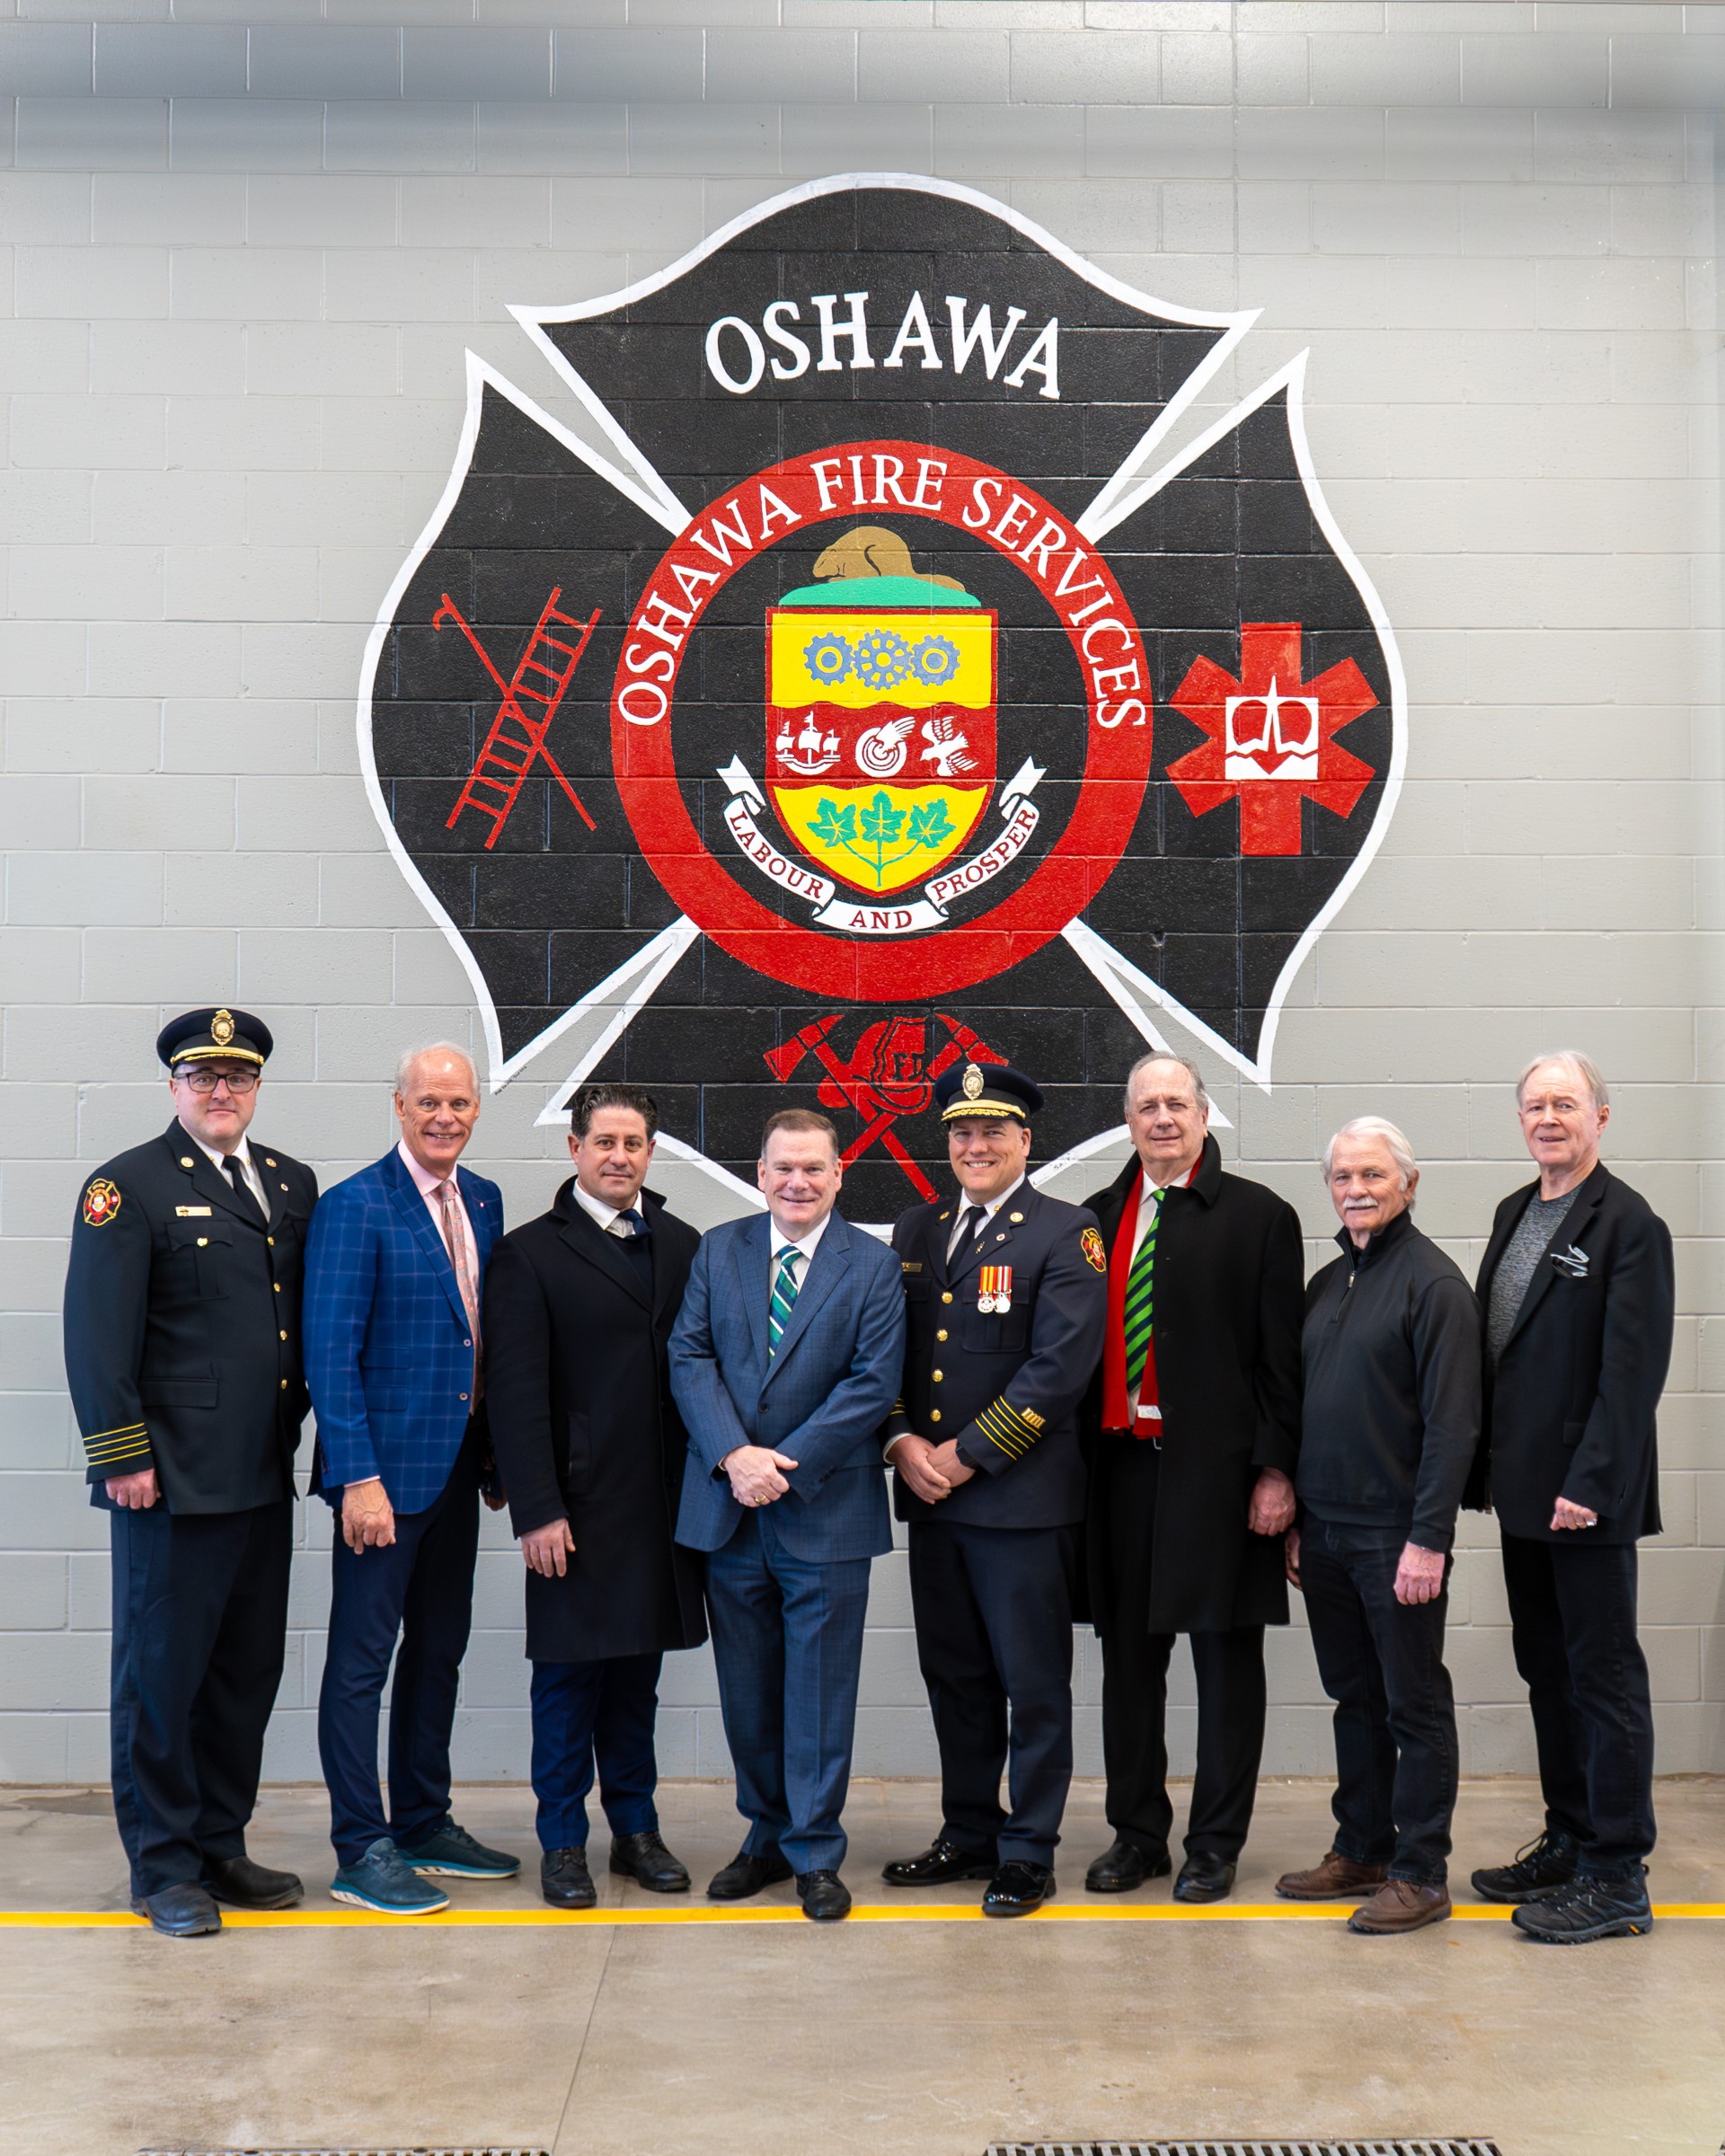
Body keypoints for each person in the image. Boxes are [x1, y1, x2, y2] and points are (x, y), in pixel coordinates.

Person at [61, 1008, 316, 1938]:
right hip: (169, 1482)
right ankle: (163, 1866)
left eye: (237, 1078)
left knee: (243, 1675)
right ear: (174, 1086)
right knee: (161, 1680)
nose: (221, 1092)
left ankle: (219, 1840)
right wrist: (122, 1456)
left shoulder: (290, 1182)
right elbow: (97, 1338)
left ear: (256, 1088)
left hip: (260, 1474)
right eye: (203, 1077)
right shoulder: (126, 1187)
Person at [881, 1062, 1107, 1917]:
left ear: (1024, 1140)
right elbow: (890, 1352)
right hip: (934, 1498)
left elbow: (1060, 1369)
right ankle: (969, 1830)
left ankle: (1028, 1849)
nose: (975, 1146)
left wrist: (968, 1454)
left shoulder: (1065, 1230)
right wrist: (903, 1442)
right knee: (957, 1676)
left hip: (1018, 1502)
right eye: (961, 1134)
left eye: (992, 1133)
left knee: (1033, 1682)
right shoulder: (917, 1225)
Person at [668, 1109, 905, 1922]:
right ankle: (764, 1837)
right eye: (782, 1168)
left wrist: (780, 1466)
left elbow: (872, 1384)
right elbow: (688, 1355)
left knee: (818, 1691)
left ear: (840, 1175)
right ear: (759, 1173)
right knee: (748, 1691)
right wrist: (736, 1456)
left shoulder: (872, 1265)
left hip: (823, 1511)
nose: (796, 1182)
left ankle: (814, 1851)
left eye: (813, 1168)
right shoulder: (718, 1249)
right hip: (731, 1508)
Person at [1079, 1052, 1304, 1904]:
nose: (1162, 1119)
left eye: (1178, 1104)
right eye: (1147, 1107)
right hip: (1122, 1472)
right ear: (1128, 1122)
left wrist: (1277, 1472)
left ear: (1205, 1117)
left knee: (1225, 1665)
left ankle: (1214, 1843)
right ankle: (1138, 1836)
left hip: (1221, 1478)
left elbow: (1282, 1363)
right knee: (1129, 1666)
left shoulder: (1259, 1217)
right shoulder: (1098, 1218)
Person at [304, 1043, 518, 1914]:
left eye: (459, 1103)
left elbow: (484, 1341)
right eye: (428, 1102)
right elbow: (331, 1352)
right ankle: (363, 1845)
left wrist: (499, 1460)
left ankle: (425, 1819)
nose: (444, 1117)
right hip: (382, 1482)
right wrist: (356, 1476)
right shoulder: (355, 1206)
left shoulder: (483, 1200)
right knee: (362, 1665)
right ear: (398, 1107)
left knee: (438, 1654)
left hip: (458, 1473)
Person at [483, 1083, 707, 1911]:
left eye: (635, 1143)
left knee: (635, 1680)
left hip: (658, 1504)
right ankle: (562, 1839)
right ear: (574, 1150)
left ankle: (636, 1830)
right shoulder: (530, 1253)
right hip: (573, 1507)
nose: (620, 1157)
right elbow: (512, 1390)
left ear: (651, 1154)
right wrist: (536, 1506)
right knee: (569, 1679)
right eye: (604, 1142)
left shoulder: (683, 1245)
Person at [1467, 1053, 1674, 1944]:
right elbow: (1500, 1355)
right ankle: (1571, 1835)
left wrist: (1590, 1485)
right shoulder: (1518, 1211)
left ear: (1601, 1115)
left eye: (1566, 1104)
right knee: (1546, 1670)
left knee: (1604, 1681)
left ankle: (1619, 1872)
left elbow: (1631, 1379)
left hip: (1585, 1500)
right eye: (1535, 1105)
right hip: (1522, 1499)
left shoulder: (1630, 1224)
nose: (1549, 1118)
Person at [1277, 1118, 1480, 1935]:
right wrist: (1297, 1517)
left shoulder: (1435, 1287)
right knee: (1352, 1697)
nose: (1356, 1189)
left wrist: (1428, 1539)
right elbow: (1301, 1410)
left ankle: (1421, 1872)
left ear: (1409, 1182)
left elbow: (1454, 1426)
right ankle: (1360, 1847)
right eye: (1342, 1177)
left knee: (1413, 1703)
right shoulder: (1328, 1283)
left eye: (1372, 1175)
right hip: (1324, 1533)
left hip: (1397, 1537)